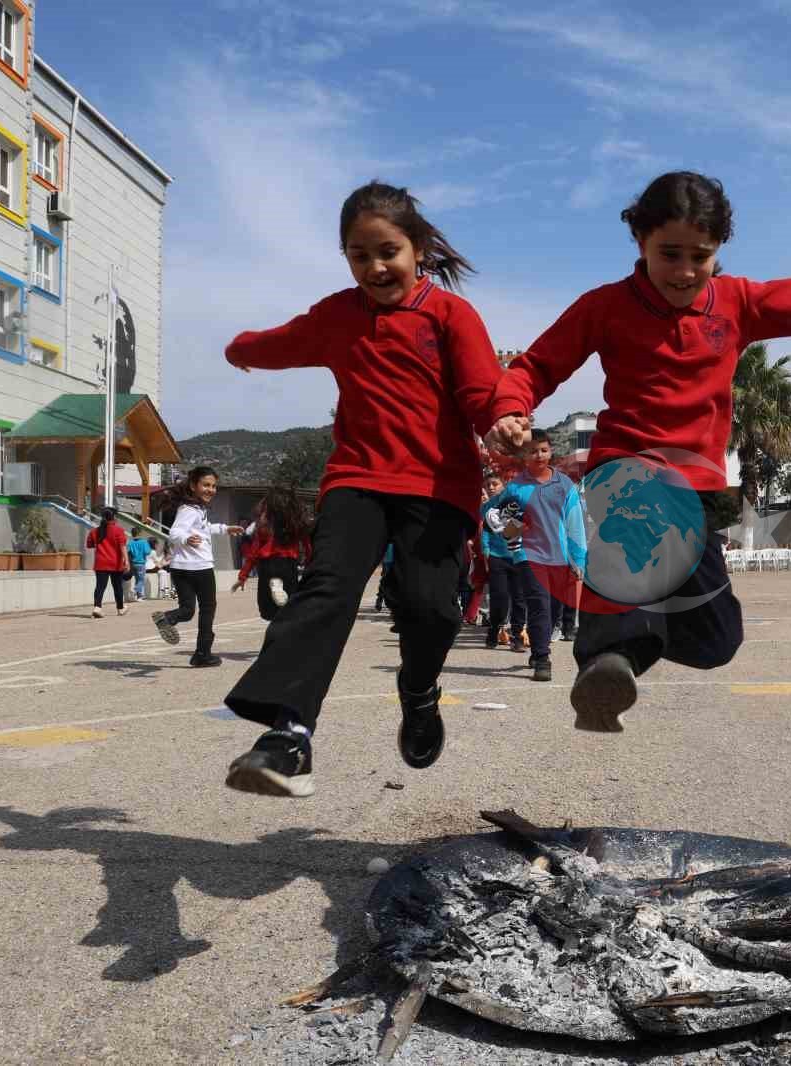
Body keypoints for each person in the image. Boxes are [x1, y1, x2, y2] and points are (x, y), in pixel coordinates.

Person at [485, 170, 791, 731]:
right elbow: (536, 366)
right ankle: (608, 661)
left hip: (697, 490)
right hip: (626, 476)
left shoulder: (738, 304)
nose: (684, 271)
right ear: (641, 241)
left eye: (699, 256)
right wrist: (510, 408)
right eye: (669, 254)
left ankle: (632, 645)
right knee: (633, 562)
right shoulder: (605, 307)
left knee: (717, 642)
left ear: (718, 250)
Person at [220, 181, 504, 796]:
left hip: (437, 485)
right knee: (327, 587)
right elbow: (285, 340)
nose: (375, 267)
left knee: (431, 607)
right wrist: (240, 348)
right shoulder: (338, 316)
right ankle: (288, 735)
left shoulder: (451, 316)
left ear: (418, 249)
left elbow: (482, 390)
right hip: (358, 477)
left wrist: (502, 420)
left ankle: (419, 691)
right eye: (359, 255)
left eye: (388, 251)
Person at [489, 431, 587, 682]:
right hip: (528, 556)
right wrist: (515, 528)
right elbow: (497, 521)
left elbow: (575, 524)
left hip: (559, 557)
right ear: (524, 455)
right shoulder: (515, 487)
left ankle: (538, 645)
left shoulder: (565, 485)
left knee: (552, 609)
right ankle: (542, 658)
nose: (539, 455)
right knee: (538, 605)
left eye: (543, 450)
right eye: (533, 451)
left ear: (550, 451)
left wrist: (578, 560)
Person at [153, 467, 231, 665]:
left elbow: (204, 529)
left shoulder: (195, 509)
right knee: (207, 609)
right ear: (193, 486)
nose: (210, 490)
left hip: (180, 568)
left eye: (213, 486)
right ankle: (202, 654)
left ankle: (168, 618)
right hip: (200, 567)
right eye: (206, 485)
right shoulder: (190, 509)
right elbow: (175, 532)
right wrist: (186, 539)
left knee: (187, 610)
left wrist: (225, 529)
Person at [232, 487, 311, 621]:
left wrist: (242, 576)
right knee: (288, 608)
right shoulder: (296, 525)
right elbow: (308, 547)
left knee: (267, 610)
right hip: (288, 566)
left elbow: (253, 553)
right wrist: (309, 564)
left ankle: (276, 587)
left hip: (267, 566)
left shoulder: (264, 526)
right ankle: (278, 589)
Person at [482, 470, 529, 651]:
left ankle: (517, 636)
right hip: (497, 557)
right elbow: (485, 530)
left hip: (519, 557)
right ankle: (494, 629)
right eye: (488, 485)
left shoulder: (520, 503)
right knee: (499, 597)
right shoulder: (489, 508)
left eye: (495, 484)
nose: (491, 488)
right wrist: (486, 549)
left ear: (504, 486)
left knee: (519, 598)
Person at [85, 507, 131, 619]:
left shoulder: (95, 531)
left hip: (101, 563)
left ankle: (97, 608)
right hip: (115, 564)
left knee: (100, 587)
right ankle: (120, 608)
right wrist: (126, 561)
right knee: (117, 587)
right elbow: (122, 547)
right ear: (114, 517)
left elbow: (89, 545)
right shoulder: (119, 530)